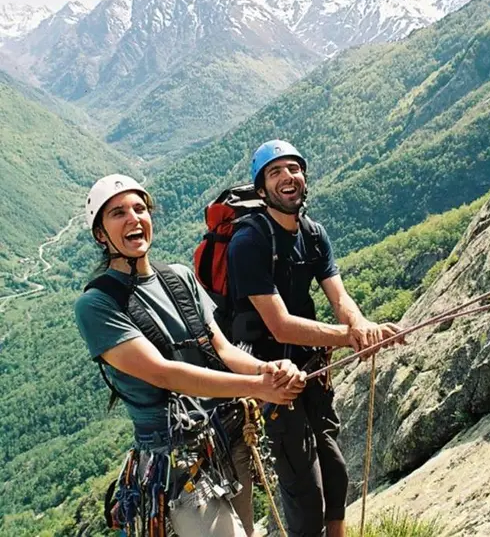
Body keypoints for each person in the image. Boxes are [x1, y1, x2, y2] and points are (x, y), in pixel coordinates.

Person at [75, 174, 305, 536]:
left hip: (228, 439)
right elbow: (164, 373)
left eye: (140, 209)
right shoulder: (98, 304)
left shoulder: (179, 277)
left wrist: (269, 370)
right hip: (176, 458)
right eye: (118, 213)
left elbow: (222, 350)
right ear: (101, 235)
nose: (133, 218)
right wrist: (258, 386)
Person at [227, 140, 402, 537]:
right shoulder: (249, 242)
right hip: (272, 377)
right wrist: (351, 337)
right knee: (305, 488)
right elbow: (280, 325)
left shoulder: (313, 233)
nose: (288, 177)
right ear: (261, 190)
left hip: (311, 368)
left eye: (294, 168)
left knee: (335, 471)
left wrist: (361, 326)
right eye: (275, 172)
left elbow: (339, 297)